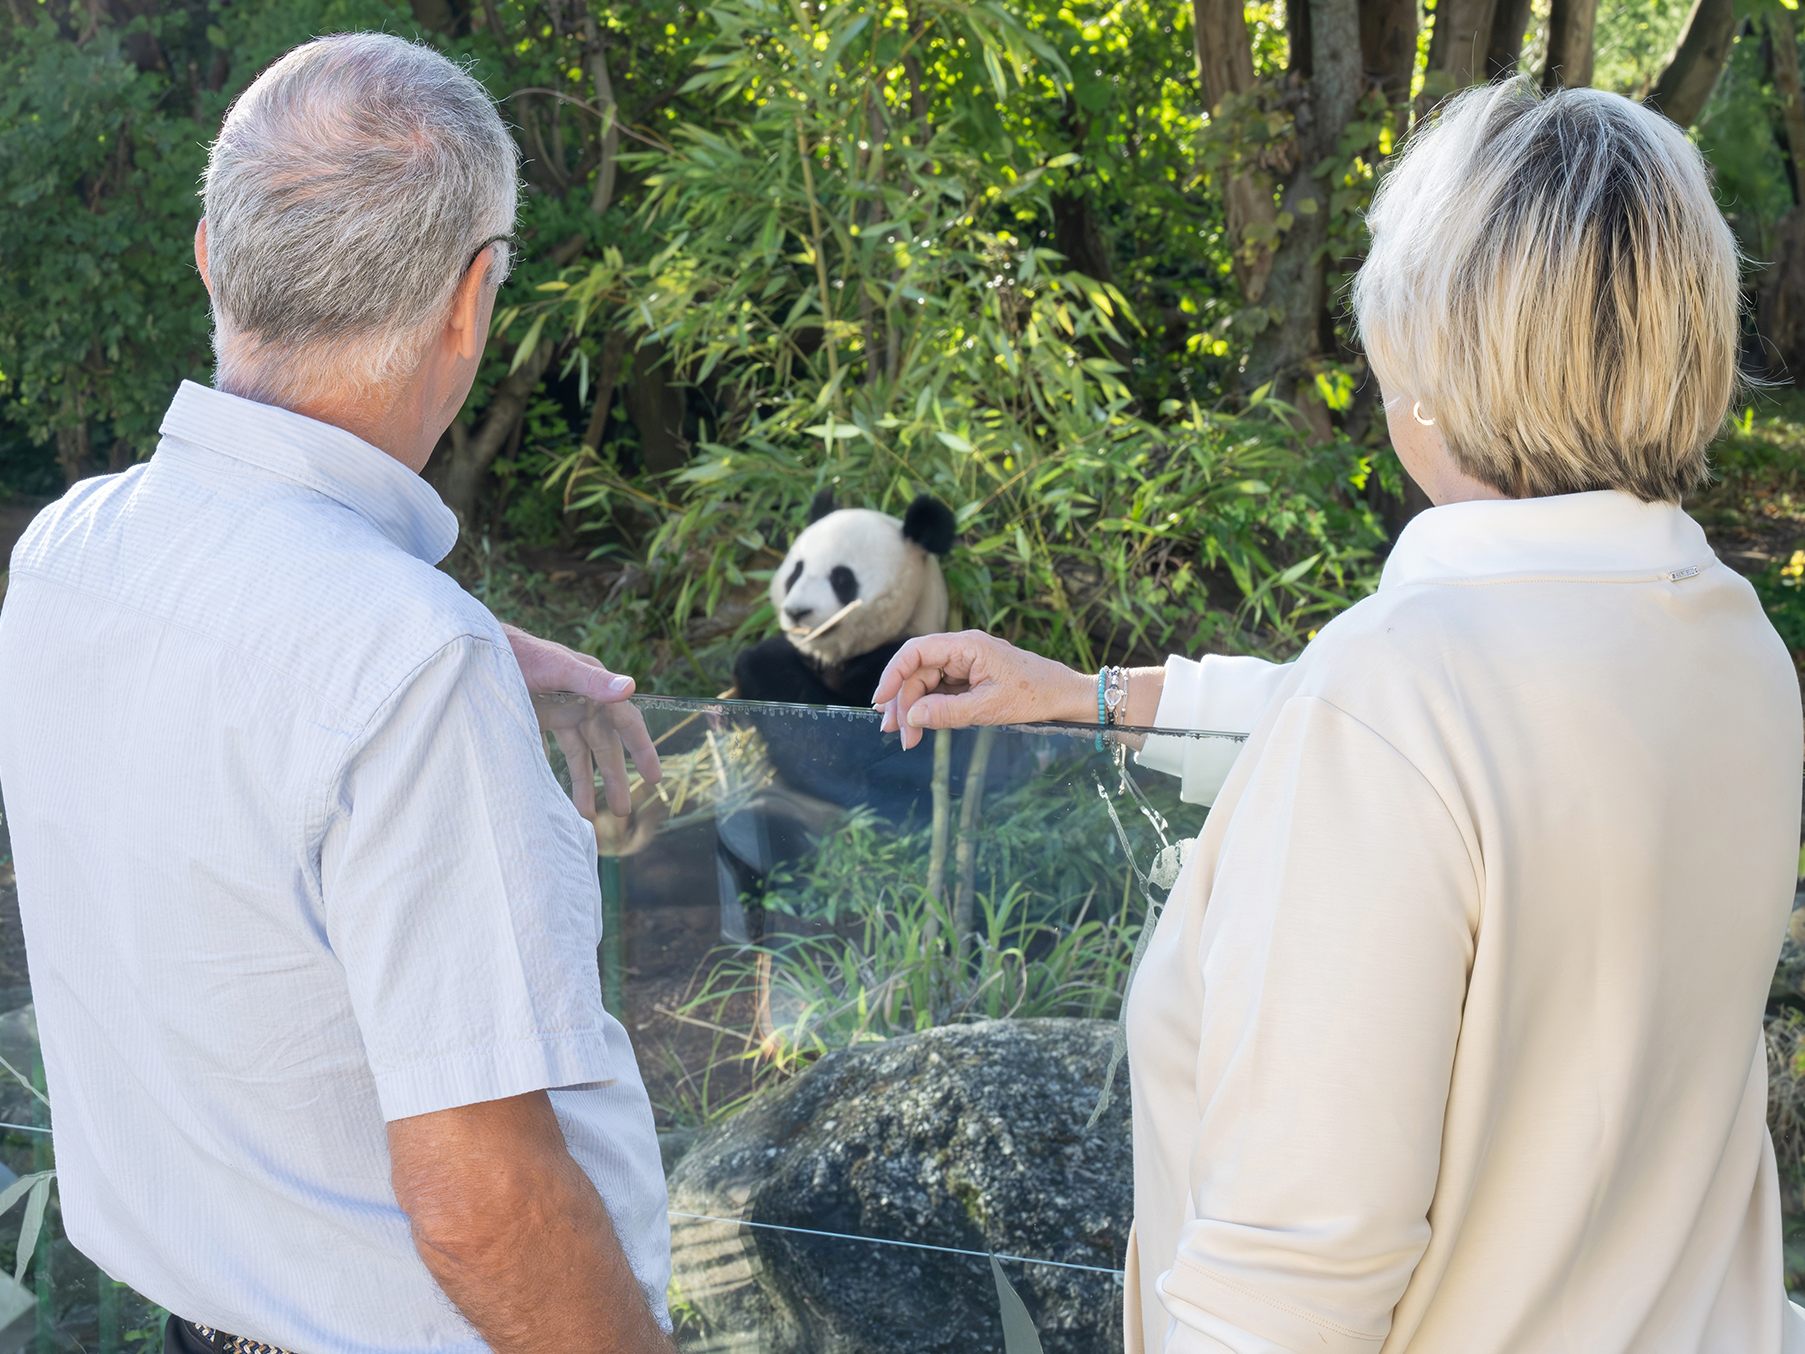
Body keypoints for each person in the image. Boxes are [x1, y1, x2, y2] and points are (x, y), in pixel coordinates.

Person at [875, 80, 1805, 1354]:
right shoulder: (1730, 642)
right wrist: (1094, 695)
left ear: (1428, 354)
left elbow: (1286, 1290)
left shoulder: (1394, 696)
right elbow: (1503, 759)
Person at [0, 33, 673, 1354]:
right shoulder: (410, 671)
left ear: (212, 255)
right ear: (471, 302)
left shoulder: (68, 553)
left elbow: (240, 621)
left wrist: (478, 645)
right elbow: (482, 1205)